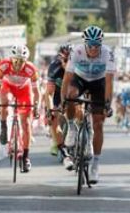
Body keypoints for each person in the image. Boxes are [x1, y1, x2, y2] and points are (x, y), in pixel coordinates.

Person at [62, 25, 116, 184]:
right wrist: (64, 100)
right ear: (85, 44)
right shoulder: (77, 52)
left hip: (99, 82)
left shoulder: (108, 53)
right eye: (90, 45)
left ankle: (95, 167)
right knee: (71, 96)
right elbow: (66, 79)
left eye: (96, 45)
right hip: (80, 80)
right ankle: (72, 127)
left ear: (101, 44)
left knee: (98, 123)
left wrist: (107, 104)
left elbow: (109, 82)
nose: (93, 48)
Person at [0, 44, 40, 172]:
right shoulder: (3, 66)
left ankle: (25, 157)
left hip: (24, 90)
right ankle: (4, 127)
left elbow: (36, 93)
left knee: (26, 124)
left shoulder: (31, 69)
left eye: (21, 61)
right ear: (10, 59)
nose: (18, 64)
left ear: (26, 61)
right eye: (15, 61)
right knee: (5, 100)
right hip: (8, 87)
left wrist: (36, 106)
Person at [45, 43, 74, 170]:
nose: (67, 63)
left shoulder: (79, 65)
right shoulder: (54, 67)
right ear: (60, 58)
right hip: (57, 94)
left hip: (74, 93)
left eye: (70, 60)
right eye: (65, 60)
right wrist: (50, 110)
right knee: (54, 118)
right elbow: (49, 93)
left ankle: (84, 135)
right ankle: (65, 153)